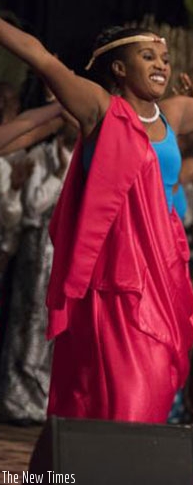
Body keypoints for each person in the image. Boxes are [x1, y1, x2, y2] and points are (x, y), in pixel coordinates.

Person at [0, 17, 193, 422]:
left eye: (165, 58)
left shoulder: (172, 114)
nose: (162, 65)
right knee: (122, 386)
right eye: (148, 56)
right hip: (114, 274)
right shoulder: (99, 108)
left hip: (166, 267)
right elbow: (38, 55)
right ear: (119, 69)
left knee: (156, 377)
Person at [0, 121, 76, 423]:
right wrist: (58, 174)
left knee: (55, 326)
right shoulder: (42, 155)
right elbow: (33, 205)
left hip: (65, 250)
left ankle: (46, 401)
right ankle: (18, 401)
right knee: (29, 322)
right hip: (38, 246)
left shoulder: (86, 155)